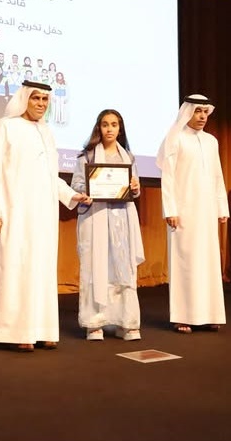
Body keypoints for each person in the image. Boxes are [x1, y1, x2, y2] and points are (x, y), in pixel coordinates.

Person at [0, 81, 91, 352]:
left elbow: (49, 175)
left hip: (42, 214)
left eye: (45, 99)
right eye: (36, 98)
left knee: (40, 269)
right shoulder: (6, 127)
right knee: (14, 269)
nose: (41, 104)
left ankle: (41, 329)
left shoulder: (46, 131)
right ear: (24, 99)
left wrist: (71, 195)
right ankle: (15, 331)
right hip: (13, 212)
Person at [156, 94, 229, 334]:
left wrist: (221, 207)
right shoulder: (175, 138)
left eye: (205, 112)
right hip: (183, 211)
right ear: (187, 112)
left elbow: (217, 175)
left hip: (206, 212)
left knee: (208, 262)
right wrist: (170, 209)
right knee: (185, 263)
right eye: (198, 111)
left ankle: (210, 315)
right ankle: (183, 316)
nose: (202, 116)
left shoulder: (211, 141)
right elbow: (167, 177)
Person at [70, 109, 145, 341]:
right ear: (99, 128)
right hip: (96, 218)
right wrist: (87, 191)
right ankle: (95, 323)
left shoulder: (128, 157)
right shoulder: (87, 156)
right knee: (96, 268)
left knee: (123, 269)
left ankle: (126, 322)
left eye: (114, 124)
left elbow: (134, 190)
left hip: (122, 219)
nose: (109, 129)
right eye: (105, 124)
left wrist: (135, 188)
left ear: (120, 128)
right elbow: (76, 185)